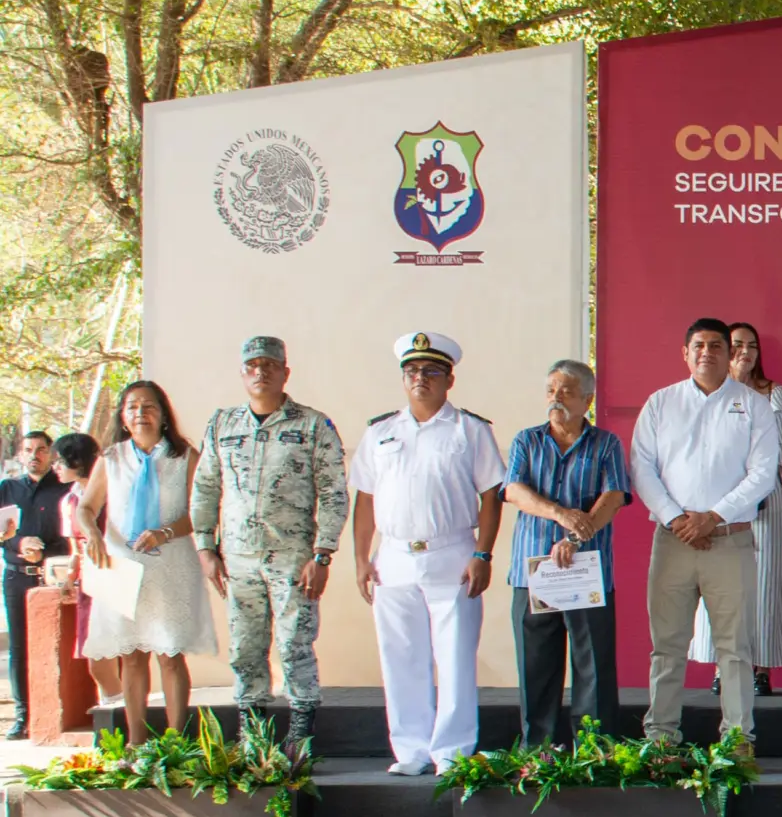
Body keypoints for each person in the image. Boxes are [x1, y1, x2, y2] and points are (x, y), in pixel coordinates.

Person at [346, 332, 505, 774]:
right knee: (401, 656)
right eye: (412, 372)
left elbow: (492, 496)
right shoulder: (380, 432)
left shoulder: (470, 430)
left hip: (452, 551)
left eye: (432, 372)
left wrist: (484, 554)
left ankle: (452, 751)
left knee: (454, 656)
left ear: (449, 380)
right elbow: (364, 499)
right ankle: (412, 750)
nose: (421, 379)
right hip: (393, 555)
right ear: (403, 379)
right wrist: (361, 558)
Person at [190, 335, 348, 751]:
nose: (261, 372)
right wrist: (206, 547)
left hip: (294, 559)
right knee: (245, 647)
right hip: (238, 559)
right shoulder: (222, 424)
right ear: (243, 373)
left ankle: (301, 732)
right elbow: (205, 487)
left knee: (295, 643)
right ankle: (253, 734)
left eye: (270, 365)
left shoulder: (312, 425)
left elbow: (334, 492)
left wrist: (323, 554)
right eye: (253, 365)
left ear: (285, 373)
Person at [631, 317, 778, 745]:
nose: (706, 353)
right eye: (698, 345)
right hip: (673, 539)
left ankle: (737, 741)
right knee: (667, 646)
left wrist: (711, 517)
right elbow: (643, 468)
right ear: (685, 352)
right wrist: (678, 518)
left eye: (716, 346)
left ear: (729, 354)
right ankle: (661, 738)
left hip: (729, 539)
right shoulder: (661, 403)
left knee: (734, 649)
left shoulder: (754, 405)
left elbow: (763, 473)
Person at [80, 386, 221, 745]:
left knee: (170, 654)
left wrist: (165, 532)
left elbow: (202, 512)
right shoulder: (111, 458)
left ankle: (176, 742)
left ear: (163, 414)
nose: (140, 412)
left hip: (171, 565)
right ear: (123, 418)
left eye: (149, 406)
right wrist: (92, 534)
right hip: (124, 568)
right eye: (132, 407)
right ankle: (137, 741)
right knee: (131, 656)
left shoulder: (184, 456)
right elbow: (86, 508)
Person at [502, 358, 630, 748]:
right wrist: (561, 514)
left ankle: (594, 750)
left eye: (567, 391)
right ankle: (538, 750)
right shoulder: (527, 440)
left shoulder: (605, 443)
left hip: (585, 571)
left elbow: (614, 496)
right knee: (536, 664)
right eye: (551, 390)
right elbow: (513, 491)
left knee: (592, 666)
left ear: (587, 399)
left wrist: (577, 534)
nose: (556, 398)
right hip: (533, 571)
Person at [688, 321, 782, 697]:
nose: (744, 352)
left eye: (751, 345)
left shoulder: (774, 394)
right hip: (716, 504)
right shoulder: (707, 394)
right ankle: (723, 667)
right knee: (718, 584)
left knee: (762, 585)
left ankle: (760, 669)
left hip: (765, 501)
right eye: (736, 345)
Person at [1, 431, 67, 740]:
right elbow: (1, 532)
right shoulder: (8, 489)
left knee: (56, 647)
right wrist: (20, 543)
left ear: (51, 454)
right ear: (19, 454)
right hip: (16, 576)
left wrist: (45, 553)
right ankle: (22, 715)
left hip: (53, 577)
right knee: (19, 648)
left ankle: (55, 713)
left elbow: (70, 538)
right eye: (28, 450)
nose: (34, 455)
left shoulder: (65, 488)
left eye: (41, 450)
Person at [50, 435, 106, 713]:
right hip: (88, 580)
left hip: (113, 574)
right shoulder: (69, 500)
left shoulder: (110, 492)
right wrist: (69, 579)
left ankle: (118, 708)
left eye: (60, 461)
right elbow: (74, 546)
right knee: (91, 650)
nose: (55, 468)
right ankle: (109, 706)